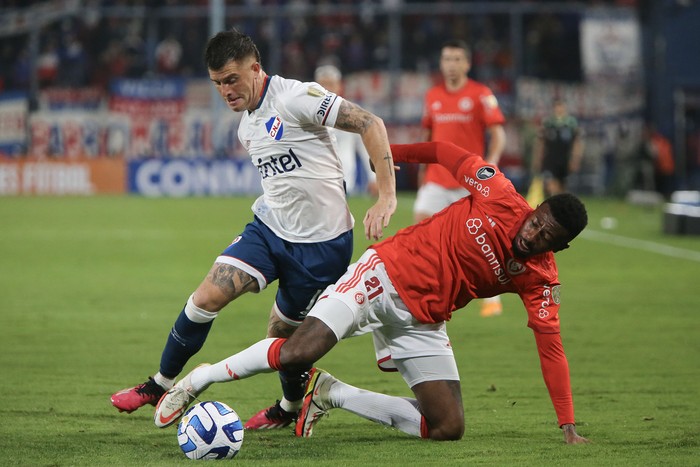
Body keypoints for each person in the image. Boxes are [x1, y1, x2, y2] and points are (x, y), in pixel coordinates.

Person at [154, 141, 590, 445]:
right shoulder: (498, 193)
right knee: (297, 352)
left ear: (559, 247)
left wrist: (567, 424)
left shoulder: (539, 279)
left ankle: (332, 394)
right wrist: (388, 158)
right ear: (535, 210)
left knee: (447, 426)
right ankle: (202, 377)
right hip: (381, 276)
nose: (532, 235)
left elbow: (551, 349)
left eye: (546, 237)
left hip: (424, 319)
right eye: (536, 222)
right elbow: (442, 153)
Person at [111, 29, 397, 431]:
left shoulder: (296, 97)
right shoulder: (246, 124)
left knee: (282, 339)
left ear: (255, 68)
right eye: (217, 84)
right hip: (269, 228)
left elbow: (371, 123)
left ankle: (290, 406)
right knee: (205, 297)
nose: (225, 91)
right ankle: (160, 383)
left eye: (231, 79)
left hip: (321, 246)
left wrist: (386, 197)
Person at [416, 39, 506, 318]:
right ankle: (429, 287)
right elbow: (428, 137)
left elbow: (499, 135)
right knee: (421, 228)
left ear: (467, 63)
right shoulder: (432, 95)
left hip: (469, 181)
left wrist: (489, 167)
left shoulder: (481, 94)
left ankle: (493, 297)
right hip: (436, 177)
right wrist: (421, 170)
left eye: (457, 59)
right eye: (446, 59)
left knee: (479, 241)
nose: (451, 65)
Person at [314, 64, 378, 196]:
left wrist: (374, 177)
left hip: (344, 180)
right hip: (314, 177)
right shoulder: (304, 111)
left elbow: (365, 147)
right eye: (323, 84)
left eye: (331, 84)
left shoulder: (352, 112)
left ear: (340, 86)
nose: (327, 88)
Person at [532, 99, 584, 197]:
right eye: (556, 107)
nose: (558, 109)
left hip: (565, 159)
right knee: (550, 184)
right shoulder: (548, 123)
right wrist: (538, 158)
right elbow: (540, 142)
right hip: (550, 159)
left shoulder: (571, 124)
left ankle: (559, 204)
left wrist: (575, 159)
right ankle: (554, 201)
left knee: (562, 187)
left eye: (560, 107)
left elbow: (577, 143)